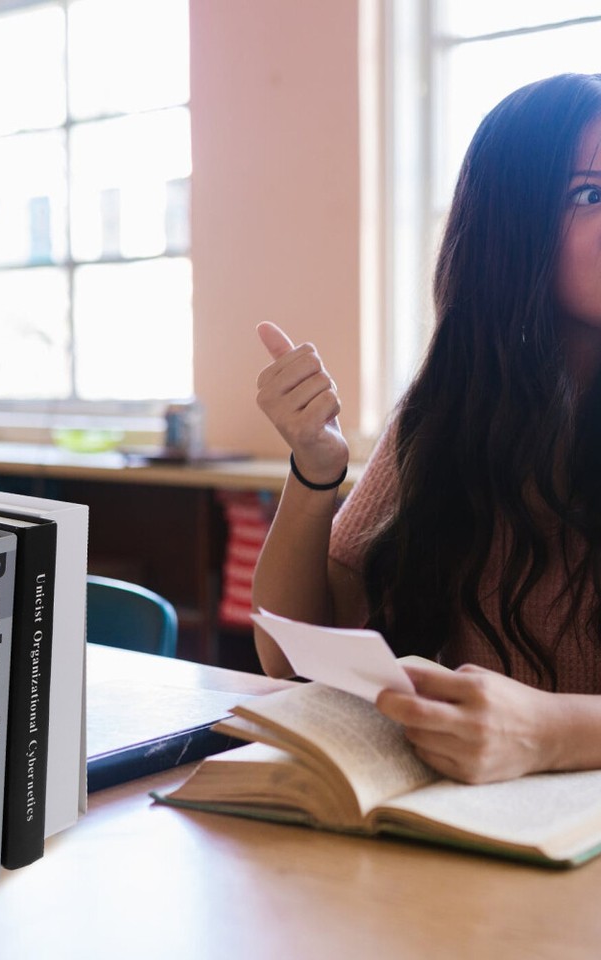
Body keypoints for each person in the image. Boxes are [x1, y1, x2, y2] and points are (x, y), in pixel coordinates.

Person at [251, 72, 601, 785]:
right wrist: (316, 467)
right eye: (590, 194)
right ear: (513, 225)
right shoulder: (451, 410)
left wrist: (548, 732)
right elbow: (291, 656)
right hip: (500, 829)